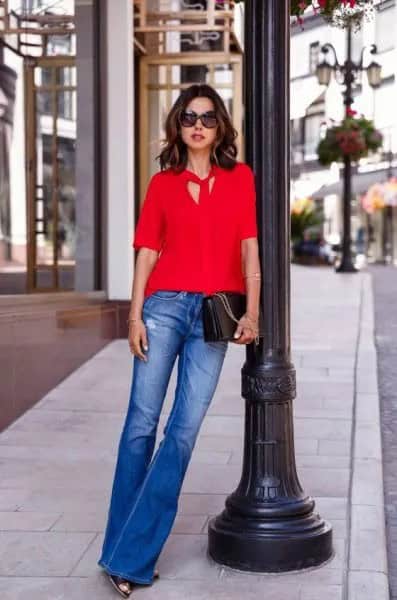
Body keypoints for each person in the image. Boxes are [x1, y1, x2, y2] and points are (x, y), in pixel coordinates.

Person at [97, 83, 261, 597]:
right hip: (164, 308)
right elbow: (147, 251)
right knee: (140, 426)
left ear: (220, 128)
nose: (198, 125)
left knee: (182, 431)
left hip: (215, 314)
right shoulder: (162, 183)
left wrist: (253, 313)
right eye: (189, 117)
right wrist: (134, 315)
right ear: (177, 124)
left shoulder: (240, 179)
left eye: (208, 118)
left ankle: (125, 555)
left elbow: (250, 251)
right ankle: (126, 555)